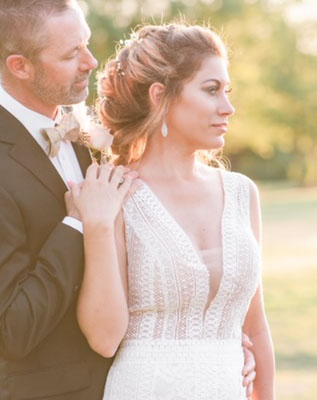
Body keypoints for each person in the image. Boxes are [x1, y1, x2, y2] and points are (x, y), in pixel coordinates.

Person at [68, 24, 275, 399]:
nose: (228, 107)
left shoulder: (242, 193)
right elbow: (104, 337)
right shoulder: (114, 195)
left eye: (226, 92)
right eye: (211, 90)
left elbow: (255, 327)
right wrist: (98, 226)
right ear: (160, 96)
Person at [0, 1, 115, 399]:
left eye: (86, 43)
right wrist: (77, 224)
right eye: (71, 54)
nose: (92, 61)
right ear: (20, 66)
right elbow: (11, 329)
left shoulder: (86, 136)